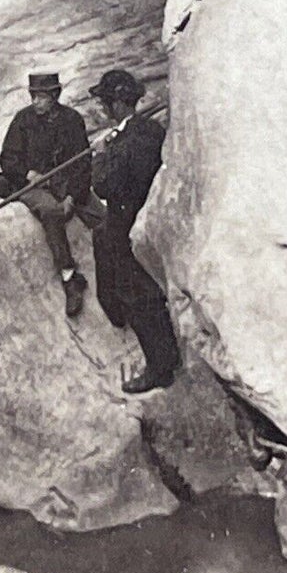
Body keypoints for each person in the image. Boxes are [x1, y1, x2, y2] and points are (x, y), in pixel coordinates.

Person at [88, 69, 181, 394]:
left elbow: (102, 186)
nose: (101, 108)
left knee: (138, 295)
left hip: (125, 223)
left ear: (115, 105)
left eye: (103, 102)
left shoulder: (123, 145)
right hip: (149, 214)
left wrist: (100, 156)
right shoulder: (151, 130)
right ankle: (113, 307)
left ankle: (160, 368)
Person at [0, 72, 91, 318]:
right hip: (32, 185)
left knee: (100, 216)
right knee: (51, 212)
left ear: (55, 96)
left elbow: (82, 163)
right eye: (33, 96)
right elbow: (7, 158)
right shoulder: (23, 120)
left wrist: (72, 196)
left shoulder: (71, 120)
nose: (36, 101)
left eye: (42, 97)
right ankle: (69, 277)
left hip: (64, 182)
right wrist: (27, 174)